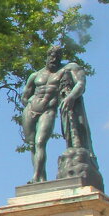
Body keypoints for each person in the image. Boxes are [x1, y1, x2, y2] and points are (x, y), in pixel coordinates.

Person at [21, 44, 94, 182]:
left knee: (40, 142)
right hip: (30, 110)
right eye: (52, 56)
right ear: (47, 57)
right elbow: (25, 96)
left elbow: (80, 84)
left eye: (57, 57)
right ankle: (41, 178)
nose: (54, 59)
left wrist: (71, 96)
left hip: (48, 110)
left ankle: (35, 177)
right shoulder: (35, 75)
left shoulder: (67, 69)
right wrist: (31, 102)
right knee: (32, 145)